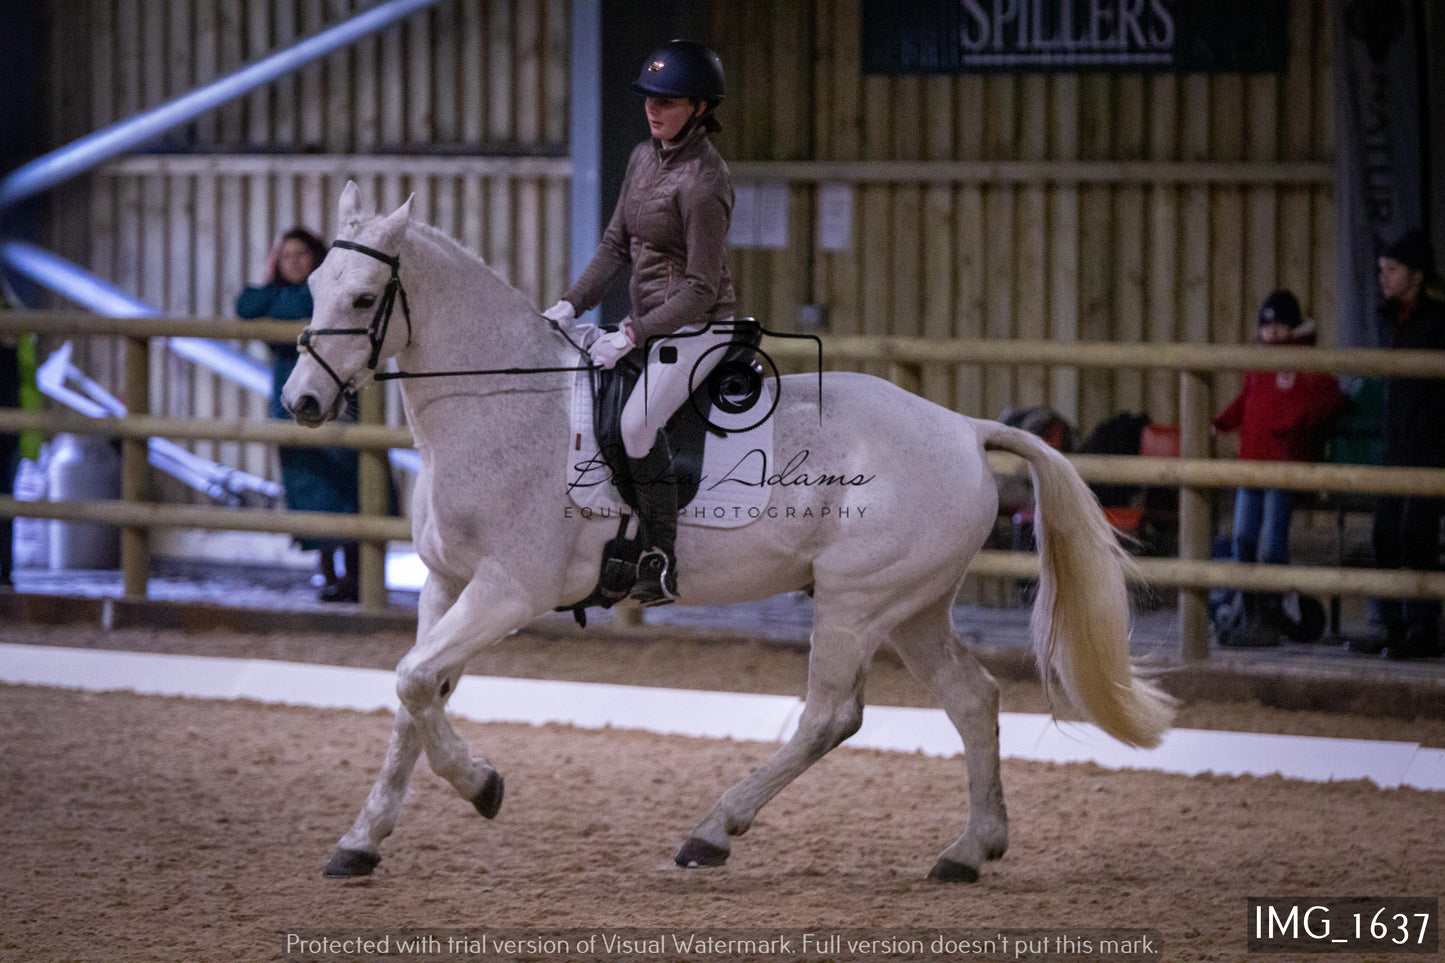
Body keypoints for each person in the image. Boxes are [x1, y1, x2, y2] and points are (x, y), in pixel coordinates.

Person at [541, 40, 737, 606]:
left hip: (700, 328)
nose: (653, 109)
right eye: (650, 98)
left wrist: (631, 334)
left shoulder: (705, 181)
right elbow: (613, 245)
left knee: (634, 424)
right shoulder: (641, 157)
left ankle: (660, 555)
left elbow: (700, 288)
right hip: (652, 324)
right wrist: (570, 305)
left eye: (668, 101)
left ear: (700, 107)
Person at [1211, 290, 1347, 646]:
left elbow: (1330, 396)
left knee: (1272, 546)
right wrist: (1222, 423)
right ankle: (1251, 614)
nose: (1271, 332)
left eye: (1279, 325)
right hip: (1250, 469)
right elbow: (1247, 401)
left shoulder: (1304, 363)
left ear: (1293, 327)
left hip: (1282, 471)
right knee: (1242, 538)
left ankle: (1271, 616)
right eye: (1266, 326)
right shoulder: (1259, 362)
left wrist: (1297, 421)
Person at [237, 228, 362, 603]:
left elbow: (290, 308)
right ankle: (326, 574)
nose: (292, 262)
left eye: (301, 255)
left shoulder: (323, 293)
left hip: (337, 402)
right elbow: (245, 305)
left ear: (317, 258)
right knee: (311, 486)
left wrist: (278, 303)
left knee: (349, 484)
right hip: (291, 405)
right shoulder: (276, 294)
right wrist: (274, 287)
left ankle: (356, 575)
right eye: (285, 255)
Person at [1351, 229, 1445, 660]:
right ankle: (1391, 624)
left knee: (1418, 536)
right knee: (1385, 533)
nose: (1384, 278)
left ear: (1416, 274)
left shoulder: (1437, 322)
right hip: (1396, 443)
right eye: (1380, 271)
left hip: (1428, 444)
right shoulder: (1391, 319)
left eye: (1392, 270)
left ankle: (1423, 627)